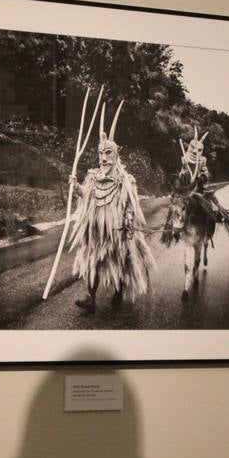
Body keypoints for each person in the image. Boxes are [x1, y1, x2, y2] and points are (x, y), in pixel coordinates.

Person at [68, 102, 155, 313]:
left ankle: (119, 289)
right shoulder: (93, 175)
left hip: (117, 229)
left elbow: (130, 203)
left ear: (116, 156)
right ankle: (91, 297)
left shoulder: (125, 179)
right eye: (100, 154)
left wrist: (127, 220)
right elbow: (86, 194)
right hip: (96, 227)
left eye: (108, 153)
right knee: (92, 258)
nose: (104, 158)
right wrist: (76, 185)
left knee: (120, 260)